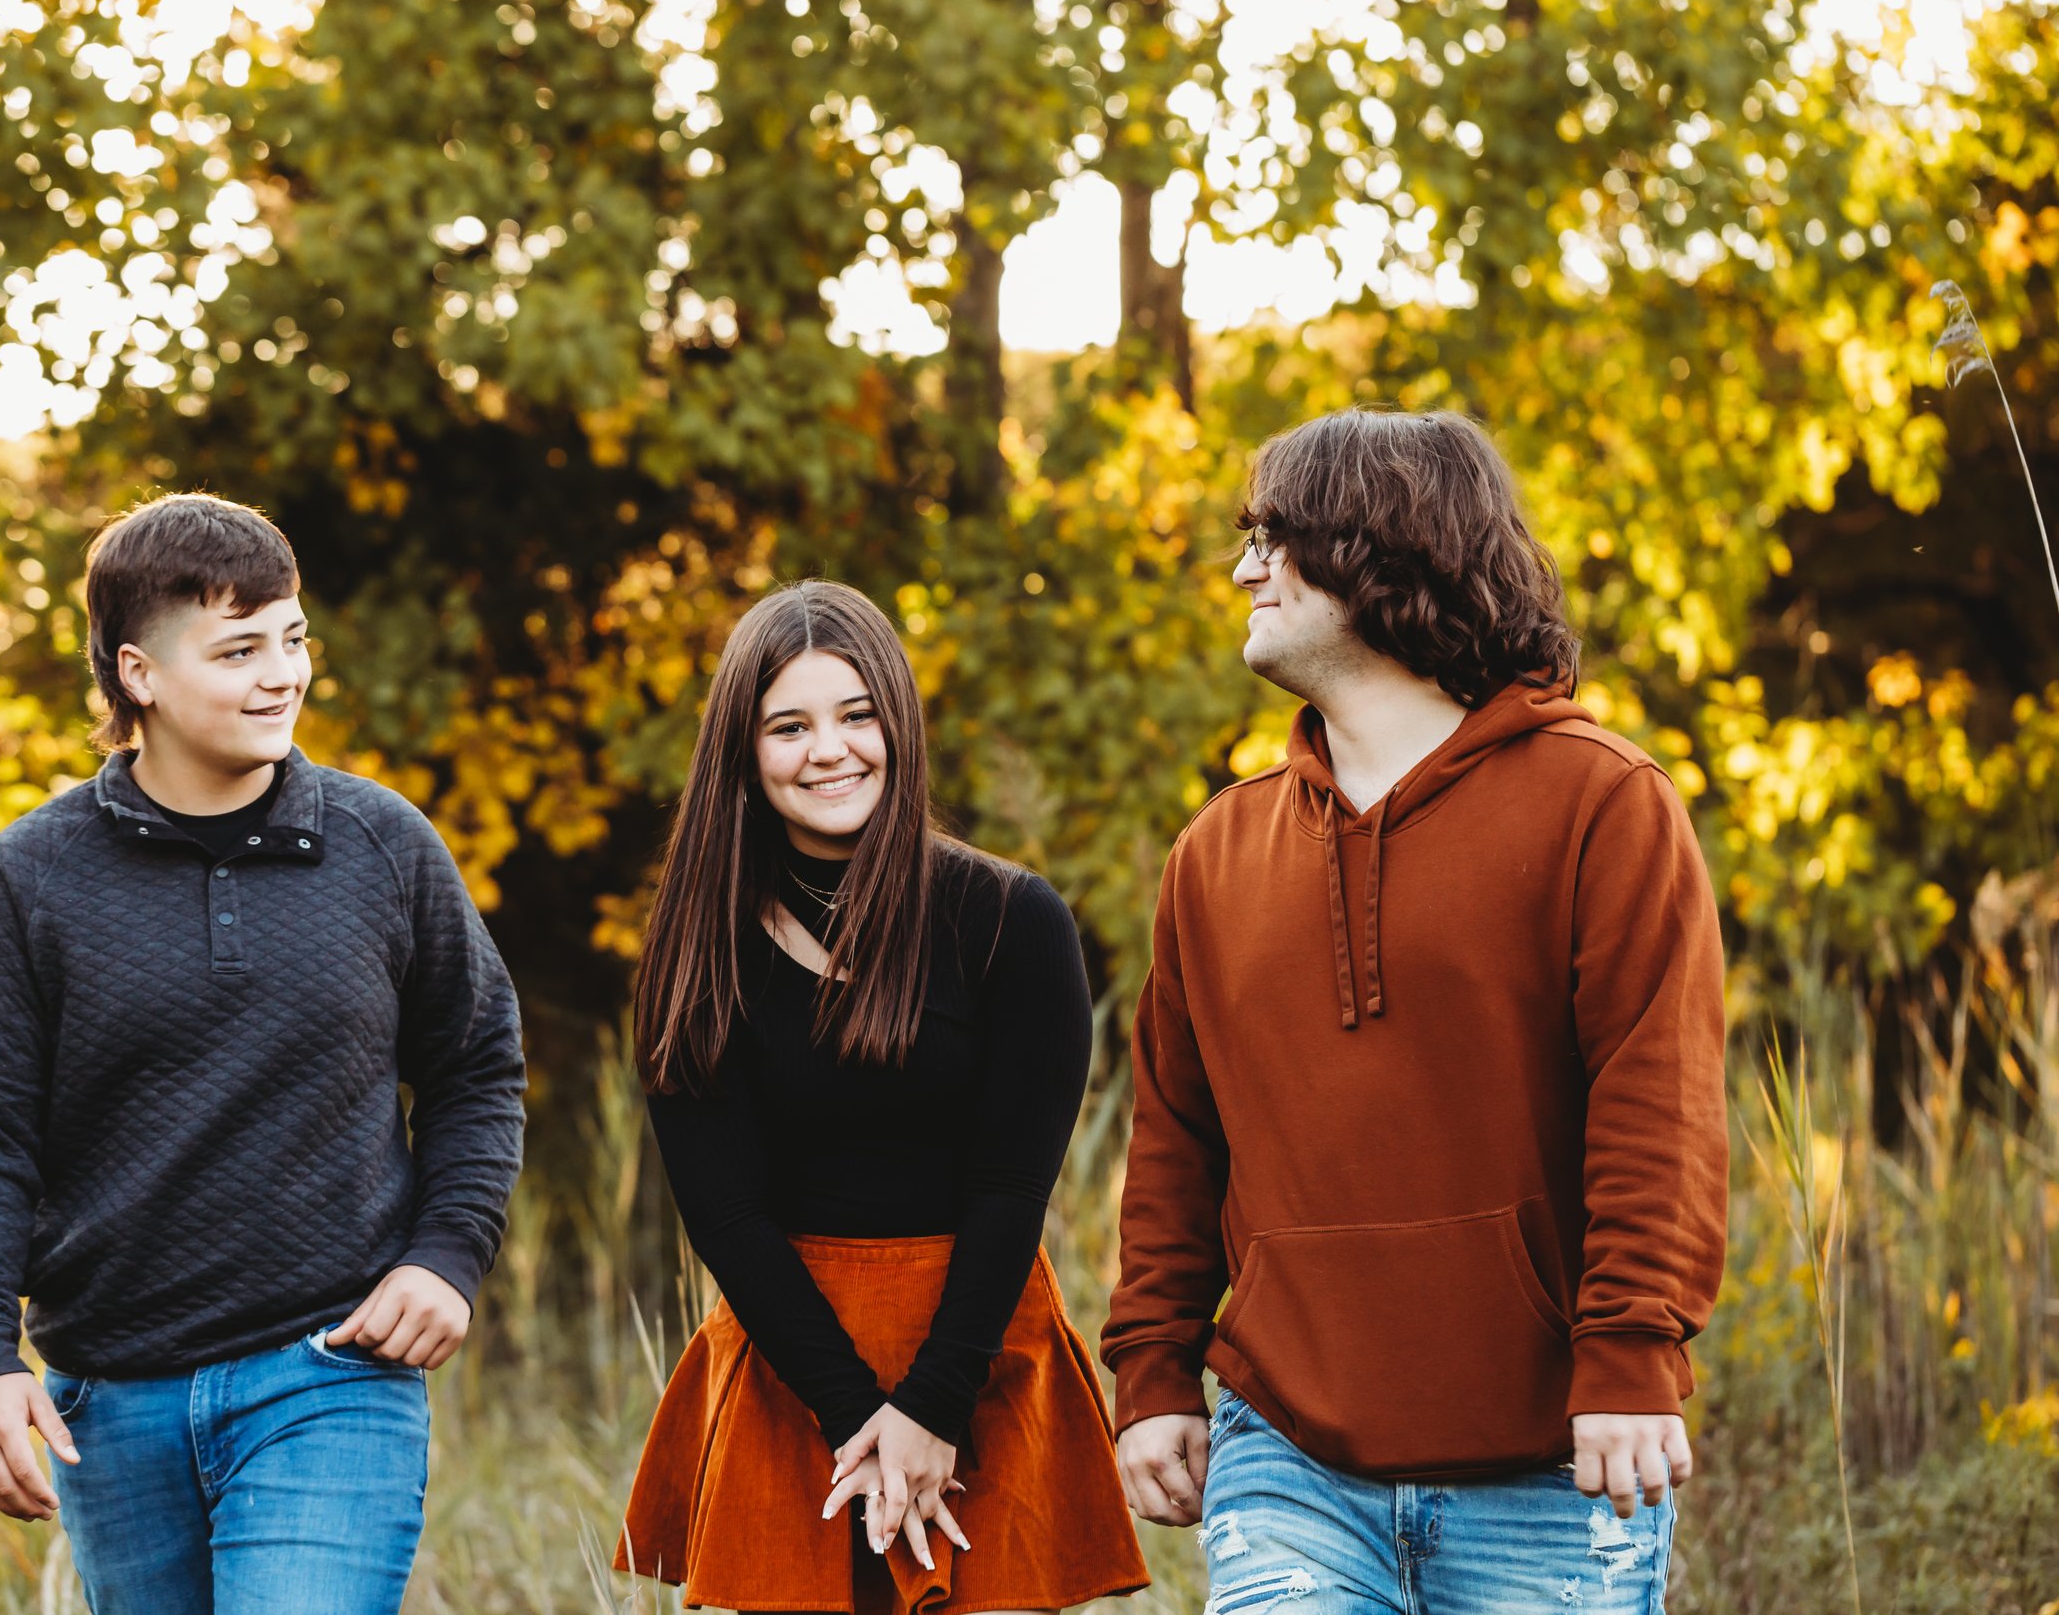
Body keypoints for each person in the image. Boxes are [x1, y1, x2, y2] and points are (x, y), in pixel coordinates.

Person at [1101, 409, 1727, 1612]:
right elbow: (1175, 1135)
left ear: (1382, 548)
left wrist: (1631, 1355)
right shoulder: (1215, 850)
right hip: (1284, 1463)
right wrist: (1154, 1371)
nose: (1243, 570)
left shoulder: (1603, 805)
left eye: (1272, 541)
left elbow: (1661, 1106)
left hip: (1552, 1465)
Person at [0, 492, 526, 1615]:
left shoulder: (384, 845)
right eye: (240, 647)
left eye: (292, 638)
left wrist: (445, 1252)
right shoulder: (33, 875)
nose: (281, 672)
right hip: (110, 1400)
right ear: (138, 673)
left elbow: (477, 1064)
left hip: (331, 1373)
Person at [616, 580, 1147, 1615]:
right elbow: (725, 1214)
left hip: (979, 1345)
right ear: (743, 749)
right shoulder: (697, 944)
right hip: (792, 1359)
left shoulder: (1008, 919)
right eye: (789, 725)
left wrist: (935, 1403)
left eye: (857, 714)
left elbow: (1010, 1184)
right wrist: (860, 1410)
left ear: (897, 722)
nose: (831, 749)